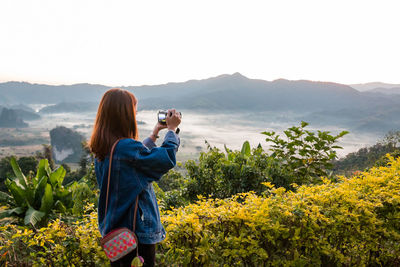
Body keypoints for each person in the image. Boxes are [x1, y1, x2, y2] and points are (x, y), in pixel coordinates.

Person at [89, 88, 181, 267]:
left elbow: (134, 159)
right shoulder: (125, 148)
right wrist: (171, 130)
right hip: (137, 234)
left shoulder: (103, 148)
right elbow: (165, 159)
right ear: (124, 115)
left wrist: (154, 134)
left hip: (117, 232)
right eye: (133, 110)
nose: (135, 113)